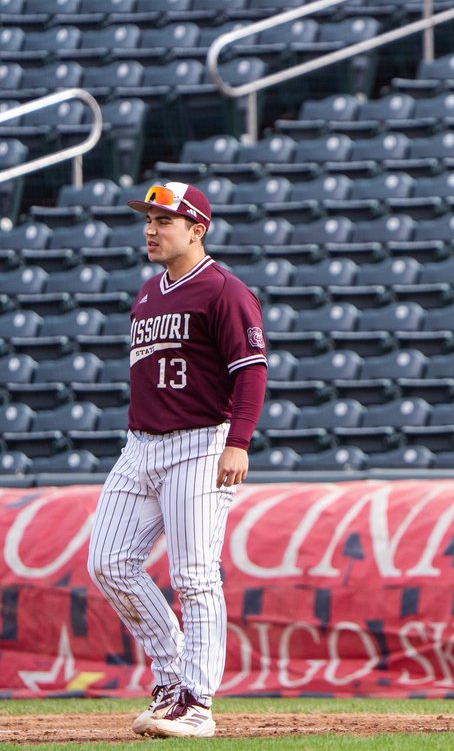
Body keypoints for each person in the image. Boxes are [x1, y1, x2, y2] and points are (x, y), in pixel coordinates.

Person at [88, 182, 268, 738]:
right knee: (108, 561)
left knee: (194, 575)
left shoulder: (224, 291)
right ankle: (170, 677)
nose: (151, 228)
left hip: (201, 443)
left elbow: (252, 370)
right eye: (148, 219)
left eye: (164, 220)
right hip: (141, 444)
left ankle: (197, 702)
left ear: (197, 229)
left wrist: (238, 440)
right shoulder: (148, 292)